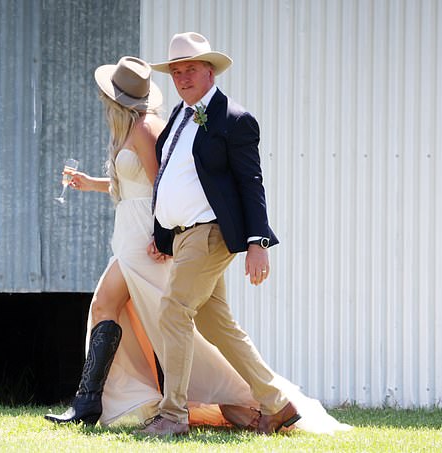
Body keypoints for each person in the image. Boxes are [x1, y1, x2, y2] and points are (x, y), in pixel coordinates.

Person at [44, 56, 269, 428]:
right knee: (137, 318)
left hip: (144, 239)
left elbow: (161, 188)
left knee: (123, 310)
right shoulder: (130, 127)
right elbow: (133, 186)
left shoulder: (147, 129)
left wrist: (159, 237)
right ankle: (95, 403)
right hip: (129, 234)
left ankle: (239, 396)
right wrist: (92, 183)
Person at [139, 32, 346, 437]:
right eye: (176, 71)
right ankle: (277, 404)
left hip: (211, 233)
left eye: (191, 69)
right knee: (218, 326)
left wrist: (257, 242)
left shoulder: (234, 118)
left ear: (210, 71)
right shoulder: (180, 117)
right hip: (182, 236)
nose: (182, 77)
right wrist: (161, 233)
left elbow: (251, 183)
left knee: (174, 310)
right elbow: (170, 177)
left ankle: (173, 414)